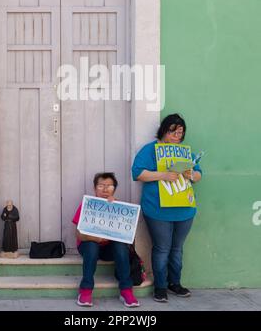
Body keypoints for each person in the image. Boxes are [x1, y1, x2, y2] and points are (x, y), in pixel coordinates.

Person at [132, 113, 202, 303]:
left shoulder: (186, 153)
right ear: (163, 130)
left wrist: (191, 174)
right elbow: (138, 173)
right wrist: (163, 175)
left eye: (180, 132)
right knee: (162, 248)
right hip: (157, 209)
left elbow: (199, 175)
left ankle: (175, 283)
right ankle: (160, 286)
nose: (177, 135)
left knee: (177, 249)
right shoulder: (150, 150)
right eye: (173, 131)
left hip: (184, 209)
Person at [72, 172, 140, 308]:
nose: (105, 189)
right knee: (92, 245)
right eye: (101, 186)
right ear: (94, 188)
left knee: (121, 245)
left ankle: (126, 290)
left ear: (114, 188)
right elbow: (78, 234)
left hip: (109, 250)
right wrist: (95, 238)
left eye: (109, 186)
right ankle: (85, 290)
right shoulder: (88, 204)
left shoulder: (119, 206)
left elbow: (126, 235)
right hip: (88, 247)